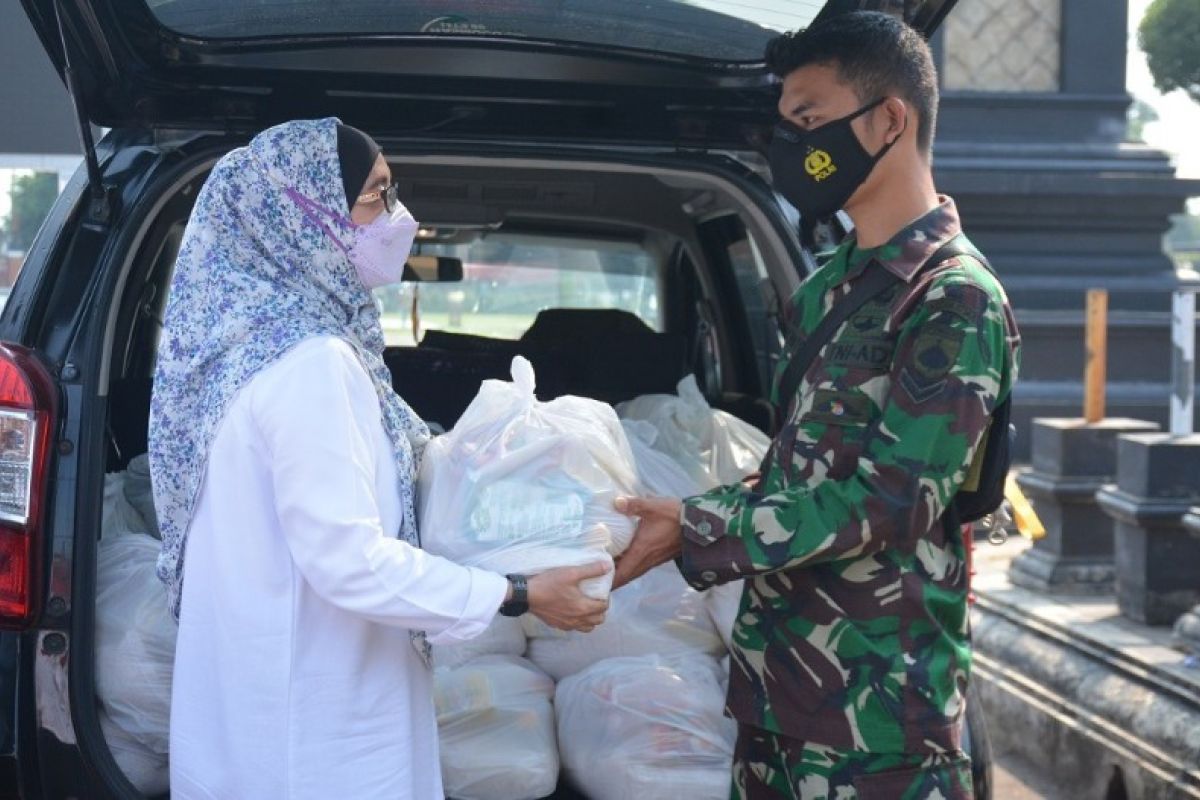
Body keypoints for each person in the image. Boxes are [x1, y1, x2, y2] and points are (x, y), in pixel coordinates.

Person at [613, 12, 1020, 800]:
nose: (794, 148)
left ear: (890, 119)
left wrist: (696, 527)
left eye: (809, 121)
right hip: (776, 695)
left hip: (880, 720)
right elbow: (794, 475)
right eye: (788, 126)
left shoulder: (953, 298)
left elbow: (894, 499)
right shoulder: (826, 289)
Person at [148, 118, 608, 799]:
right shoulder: (310, 363)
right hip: (315, 743)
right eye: (377, 196)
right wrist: (515, 593)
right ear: (301, 215)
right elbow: (347, 559)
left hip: (257, 720)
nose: (400, 219)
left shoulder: (238, 353)